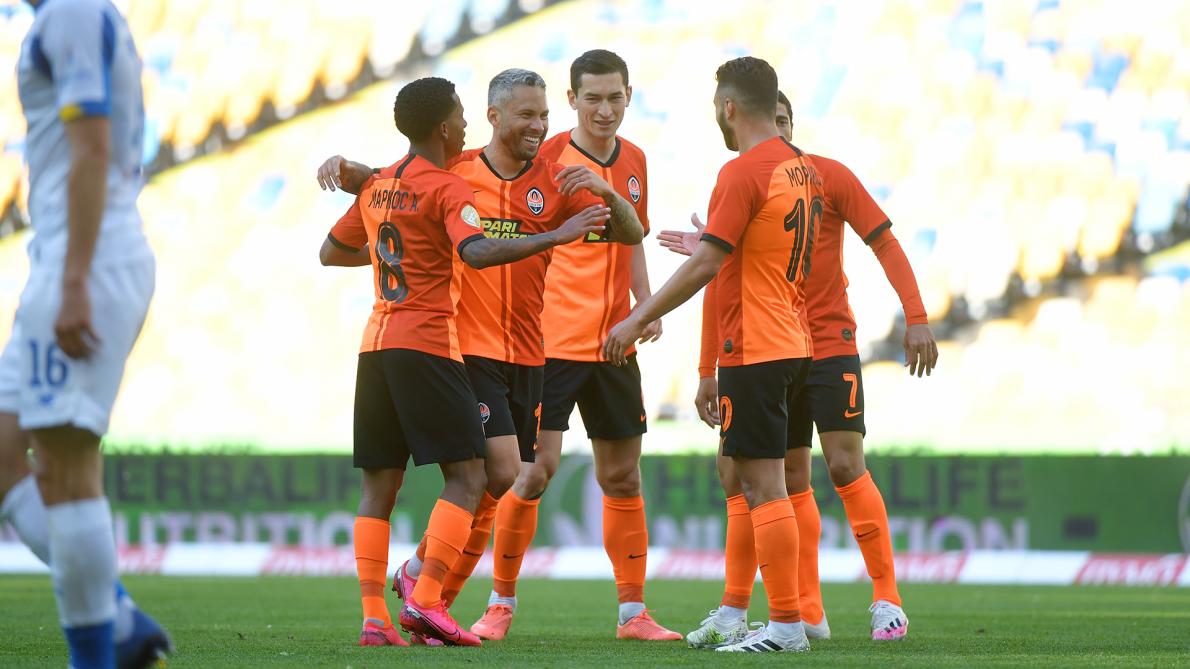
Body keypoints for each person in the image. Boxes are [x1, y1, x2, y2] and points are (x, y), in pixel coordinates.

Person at [317, 68, 642, 641]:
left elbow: (631, 232)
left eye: (544, 115)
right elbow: (410, 193)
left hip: (529, 351)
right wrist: (369, 186)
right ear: (492, 117)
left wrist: (609, 192)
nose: (539, 126)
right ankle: (432, 595)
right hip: (463, 349)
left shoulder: (557, 179)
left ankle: (421, 589)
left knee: (494, 482)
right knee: (492, 473)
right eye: (527, 115)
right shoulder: (457, 171)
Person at [661, 91, 938, 646]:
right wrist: (707, 366)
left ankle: (887, 599)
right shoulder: (747, 182)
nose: (778, 132)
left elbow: (884, 242)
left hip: (829, 342)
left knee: (844, 464)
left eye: (784, 122)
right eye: (773, 122)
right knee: (777, 478)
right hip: (773, 348)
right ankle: (803, 612)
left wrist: (916, 316)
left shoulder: (828, 175)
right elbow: (721, 279)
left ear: (791, 124)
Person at [604, 56, 820, 653]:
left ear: (729, 107)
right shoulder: (801, 167)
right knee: (760, 483)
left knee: (762, 488)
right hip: (792, 340)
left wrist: (637, 316)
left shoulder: (742, 171)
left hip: (757, 346)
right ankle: (756, 616)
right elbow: (754, 249)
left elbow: (707, 265)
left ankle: (786, 627)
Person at [469, 48, 679, 643]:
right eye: (592, 98)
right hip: (551, 344)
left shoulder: (635, 159)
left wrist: (643, 305)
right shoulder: (548, 158)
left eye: (614, 98)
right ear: (572, 100)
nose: (604, 110)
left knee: (623, 476)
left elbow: (632, 236)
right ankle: (500, 603)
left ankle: (633, 614)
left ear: (629, 97)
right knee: (534, 472)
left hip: (614, 341)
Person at [1, 1, 172, 667]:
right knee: (6, 453)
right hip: (67, 257)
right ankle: (118, 619)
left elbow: (92, 146)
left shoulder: (71, 12)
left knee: (67, 466)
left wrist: (73, 279)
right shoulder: (77, 14)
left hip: (87, 260)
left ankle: (96, 654)